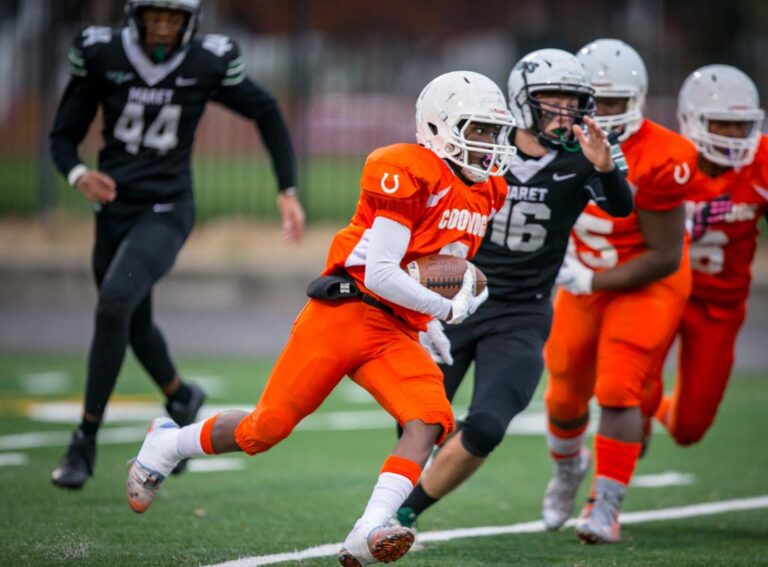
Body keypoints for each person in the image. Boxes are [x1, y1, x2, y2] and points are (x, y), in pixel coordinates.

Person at [125, 70, 516, 567]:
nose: (487, 144)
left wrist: (431, 325)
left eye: (491, 131)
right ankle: (167, 443)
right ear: (437, 127)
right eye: (476, 129)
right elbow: (380, 273)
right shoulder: (405, 168)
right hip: (344, 311)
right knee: (263, 431)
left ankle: (368, 529)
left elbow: (434, 261)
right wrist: (445, 309)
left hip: (395, 329)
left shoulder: (488, 190)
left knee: (430, 419)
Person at [48, 0, 305, 490]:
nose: (163, 27)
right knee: (133, 319)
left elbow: (266, 110)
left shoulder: (204, 62)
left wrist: (287, 189)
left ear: (190, 23)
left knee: (114, 305)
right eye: (154, 17)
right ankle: (180, 396)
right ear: (136, 17)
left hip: (167, 208)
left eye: (173, 18)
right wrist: (79, 174)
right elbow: (62, 136)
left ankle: (84, 438)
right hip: (114, 209)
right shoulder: (104, 55)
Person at [393, 48, 634, 532]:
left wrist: (606, 169)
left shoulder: (588, 155)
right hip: (456, 299)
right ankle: (387, 512)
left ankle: (403, 515)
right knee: (417, 421)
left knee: (484, 426)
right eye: (553, 99)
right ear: (523, 101)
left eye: (574, 100)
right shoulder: (483, 143)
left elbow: (620, 208)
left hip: (523, 311)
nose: (565, 111)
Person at [537, 39, 698, 544]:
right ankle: (567, 470)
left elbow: (665, 255)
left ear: (639, 98)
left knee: (618, 386)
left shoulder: (665, 156)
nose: (603, 114)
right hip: (582, 276)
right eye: (595, 102)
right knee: (562, 393)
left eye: (613, 103)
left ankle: (604, 506)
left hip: (645, 280)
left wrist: (590, 279)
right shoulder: (549, 139)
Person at [648, 64, 767, 446]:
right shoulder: (666, 158)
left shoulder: (760, 161)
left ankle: (651, 412)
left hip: (720, 305)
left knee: (689, 428)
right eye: (720, 124)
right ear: (693, 120)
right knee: (629, 391)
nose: (733, 136)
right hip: (661, 292)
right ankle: (633, 422)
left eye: (740, 126)